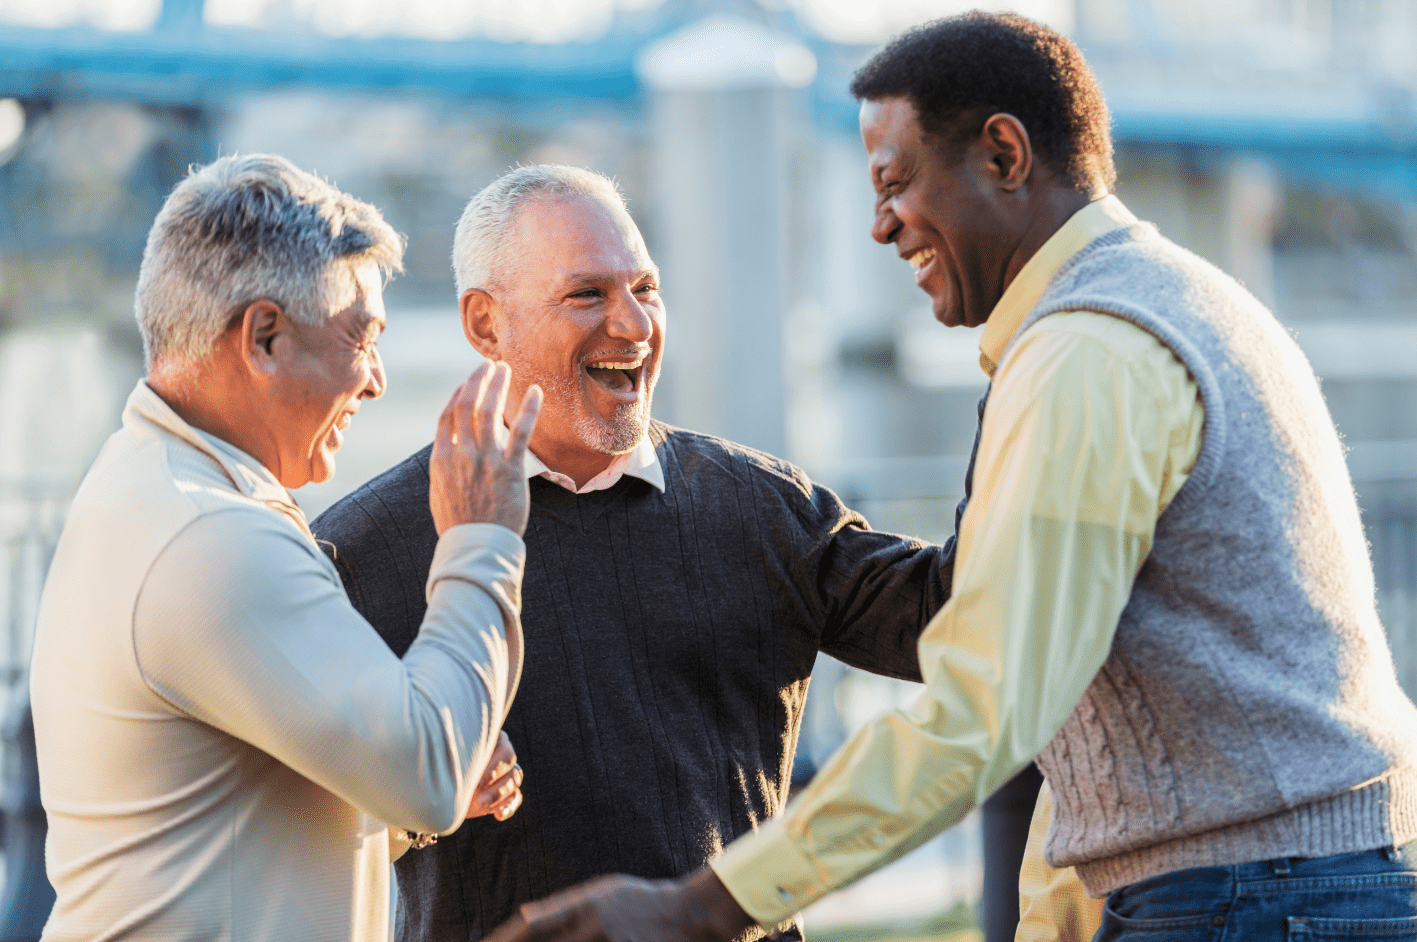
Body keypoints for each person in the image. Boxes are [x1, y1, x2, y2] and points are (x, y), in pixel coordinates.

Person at [482, 13, 1417, 942]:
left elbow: (984, 706)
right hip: (1291, 880)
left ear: (1003, 155)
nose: (879, 225)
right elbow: (1075, 700)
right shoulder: (1176, 302)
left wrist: (703, 906)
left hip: (1251, 900)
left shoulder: (1087, 357)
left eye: (894, 183)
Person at [310, 164, 960, 941]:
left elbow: (963, 618)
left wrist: (1035, 390)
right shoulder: (358, 551)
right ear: (485, 325)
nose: (634, 326)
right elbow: (291, 829)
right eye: (588, 294)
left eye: (645, 290)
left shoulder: (760, 505)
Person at [29, 153, 542, 942]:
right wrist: (482, 533)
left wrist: (398, 783)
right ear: (264, 336)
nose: (375, 379)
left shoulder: (149, 487)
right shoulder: (214, 537)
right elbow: (428, 772)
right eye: (359, 337)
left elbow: (226, 811)